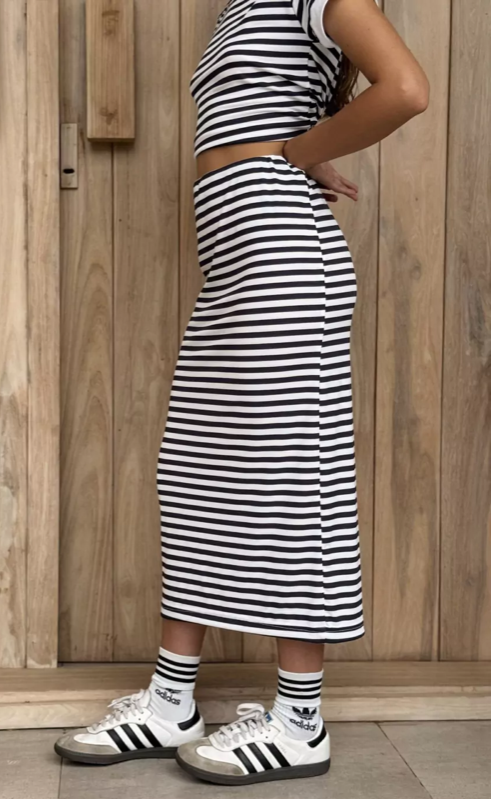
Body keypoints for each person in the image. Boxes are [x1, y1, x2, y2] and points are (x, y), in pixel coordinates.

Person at [55, 0, 428, 786]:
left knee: (290, 478)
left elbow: (405, 88)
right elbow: (257, 113)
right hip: (236, 264)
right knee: (194, 469)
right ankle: (171, 700)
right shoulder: (242, 6)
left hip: (284, 263)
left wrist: (298, 151)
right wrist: (297, 149)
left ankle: (300, 720)